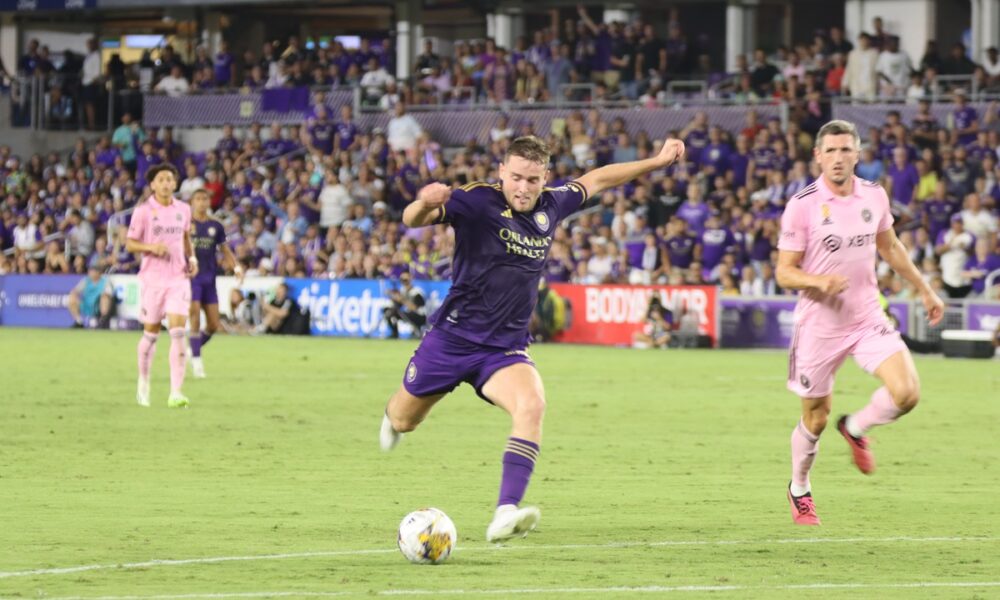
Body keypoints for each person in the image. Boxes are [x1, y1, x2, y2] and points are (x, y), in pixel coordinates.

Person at [378, 134, 686, 541]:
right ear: (502, 172)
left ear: (545, 178)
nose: (524, 188)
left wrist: (656, 161)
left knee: (532, 405)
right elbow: (412, 220)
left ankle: (505, 511)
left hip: (504, 348)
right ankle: (392, 419)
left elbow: (599, 179)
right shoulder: (476, 200)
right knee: (404, 420)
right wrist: (425, 202)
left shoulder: (553, 204)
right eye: (517, 177)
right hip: (452, 339)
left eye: (533, 180)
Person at [775, 120, 944, 525]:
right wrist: (818, 281)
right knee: (814, 418)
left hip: (867, 316)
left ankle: (854, 426)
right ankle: (800, 487)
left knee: (907, 393)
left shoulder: (874, 196)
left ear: (857, 154)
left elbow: (890, 246)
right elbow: (784, 271)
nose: (838, 158)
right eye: (830, 151)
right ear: (818, 156)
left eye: (845, 150)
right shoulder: (803, 204)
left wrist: (924, 288)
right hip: (819, 325)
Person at [126, 163, 197, 408]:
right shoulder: (143, 212)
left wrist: (193, 258)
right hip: (152, 280)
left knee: (178, 332)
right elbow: (131, 244)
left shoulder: (184, 210)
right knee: (151, 335)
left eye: (170, 179)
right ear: (153, 185)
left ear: (175, 183)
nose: (166, 183)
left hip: (178, 279)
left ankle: (176, 392)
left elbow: (186, 238)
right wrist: (151, 247)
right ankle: (143, 382)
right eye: (161, 179)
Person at [188, 189, 242, 378]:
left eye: (205, 199)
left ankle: (192, 349)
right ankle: (197, 362)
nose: (202, 202)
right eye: (198, 199)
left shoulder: (215, 226)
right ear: (192, 202)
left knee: (213, 324)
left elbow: (225, 250)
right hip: (191, 279)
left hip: (210, 279)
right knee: (194, 317)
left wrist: (236, 268)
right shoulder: (186, 225)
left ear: (209, 202)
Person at [382, 271, 427, 339]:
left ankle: (417, 332)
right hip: (407, 314)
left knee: (396, 312)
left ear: (411, 279)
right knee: (388, 311)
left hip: (419, 316)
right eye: (402, 280)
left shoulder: (417, 292)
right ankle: (394, 333)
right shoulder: (403, 290)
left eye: (405, 280)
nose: (404, 282)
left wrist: (402, 300)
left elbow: (414, 308)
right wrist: (393, 297)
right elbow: (398, 306)